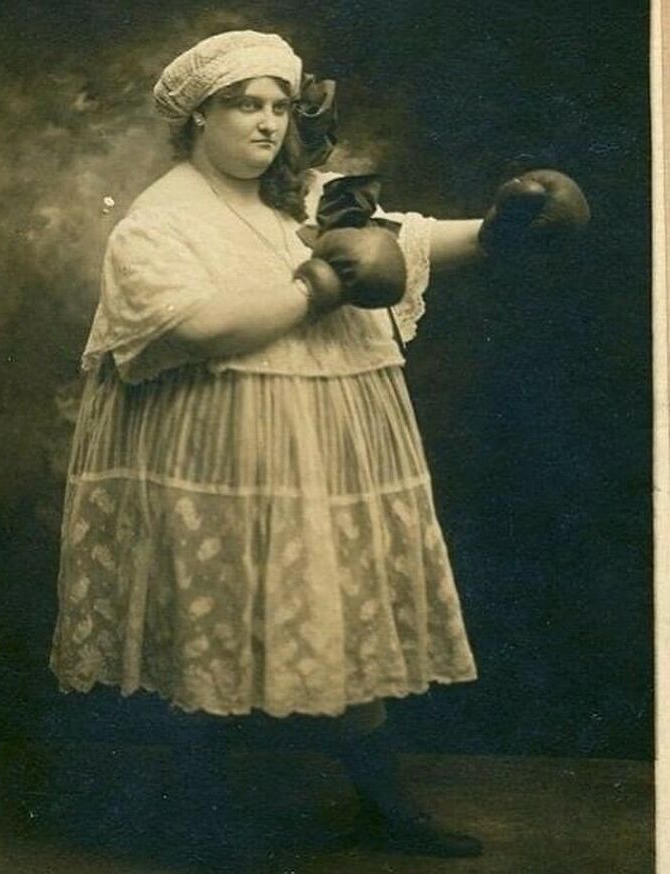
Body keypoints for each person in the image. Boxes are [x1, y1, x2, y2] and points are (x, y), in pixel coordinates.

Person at [49, 30, 589, 858]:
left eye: (276, 106)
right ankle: (198, 818)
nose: (266, 125)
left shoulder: (302, 196)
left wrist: (499, 227)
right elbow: (194, 326)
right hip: (219, 457)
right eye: (244, 106)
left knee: (340, 602)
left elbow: (402, 238)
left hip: (320, 450)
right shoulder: (161, 220)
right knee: (217, 613)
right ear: (199, 117)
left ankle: (385, 803)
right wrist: (325, 282)